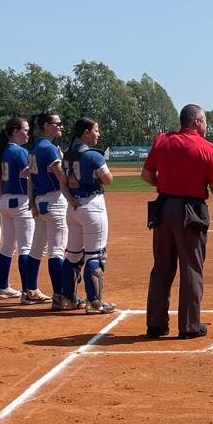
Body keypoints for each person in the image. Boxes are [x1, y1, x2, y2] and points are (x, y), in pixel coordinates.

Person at [141, 103, 213, 338]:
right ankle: (190, 326)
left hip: (163, 208)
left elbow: (146, 174)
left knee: (162, 266)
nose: (206, 126)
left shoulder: (162, 141)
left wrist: (165, 185)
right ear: (197, 122)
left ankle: (156, 324)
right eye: (205, 122)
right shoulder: (207, 148)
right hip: (191, 210)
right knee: (191, 266)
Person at [63, 117, 115, 313]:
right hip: (92, 205)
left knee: (73, 255)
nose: (98, 134)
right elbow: (108, 179)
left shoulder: (67, 154)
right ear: (86, 133)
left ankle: (67, 299)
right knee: (96, 254)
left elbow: (62, 181)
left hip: (73, 207)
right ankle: (94, 303)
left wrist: (69, 197)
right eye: (96, 130)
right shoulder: (93, 156)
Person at [28, 111, 69, 309]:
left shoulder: (34, 147)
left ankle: (29, 290)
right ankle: (59, 296)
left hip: (40, 200)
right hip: (55, 200)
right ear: (45, 125)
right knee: (56, 251)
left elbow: (30, 179)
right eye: (57, 123)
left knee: (36, 249)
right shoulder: (50, 149)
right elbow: (62, 177)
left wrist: (32, 202)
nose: (60, 126)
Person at [0, 116, 32, 300]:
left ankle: (3, 287)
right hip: (21, 200)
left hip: (6, 199)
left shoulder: (3, 151)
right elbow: (27, 174)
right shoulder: (19, 151)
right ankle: (28, 291)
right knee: (26, 247)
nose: (28, 134)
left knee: (8, 246)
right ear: (15, 131)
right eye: (25, 130)